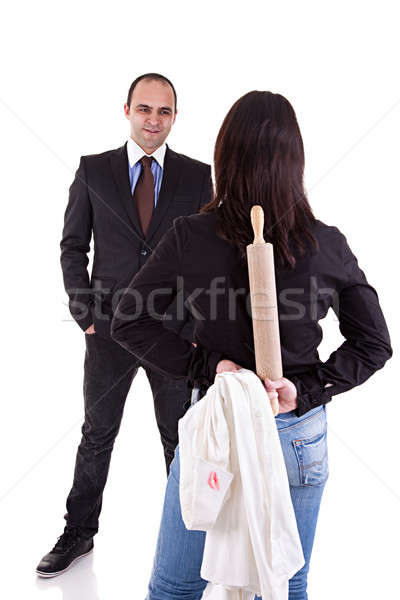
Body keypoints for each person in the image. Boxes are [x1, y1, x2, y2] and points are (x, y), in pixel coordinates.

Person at [110, 90, 392, 599]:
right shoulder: (326, 243)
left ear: (224, 156)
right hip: (289, 435)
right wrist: (306, 390)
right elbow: (374, 344)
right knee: (283, 584)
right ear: (295, 161)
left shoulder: (190, 235)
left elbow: (127, 320)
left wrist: (206, 368)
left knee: (175, 589)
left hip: (220, 427)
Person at [36, 73, 213, 578]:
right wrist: (85, 314)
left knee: (181, 439)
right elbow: (73, 247)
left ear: (174, 117)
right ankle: (79, 531)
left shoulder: (197, 177)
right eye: (144, 109)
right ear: (128, 110)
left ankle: (192, 539)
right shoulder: (94, 171)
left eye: (164, 111)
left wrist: (199, 323)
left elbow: (207, 254)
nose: (153, 120)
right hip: (109, 330)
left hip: (175, 334)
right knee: (97, 434)